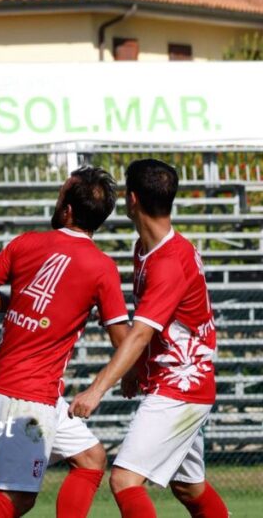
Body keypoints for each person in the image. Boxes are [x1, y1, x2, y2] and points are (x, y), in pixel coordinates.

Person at [0, 167, 129, 518]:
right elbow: (122, 340)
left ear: (67, 210)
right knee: (17, 499)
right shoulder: (102, 268)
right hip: (26, 392)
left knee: (91, 458)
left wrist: (20, 307)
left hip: (33, 390)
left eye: (60, 196)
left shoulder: (27, 242)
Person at [69, 159, 229, 518]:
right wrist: (135, 368)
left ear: (132, 199)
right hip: (179, 381)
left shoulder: (168, 261)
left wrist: (96, 389)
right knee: (189, 488)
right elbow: (156, 325)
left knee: (124, 480)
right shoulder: (145, 248)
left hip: (181, 388)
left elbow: (141, 332)